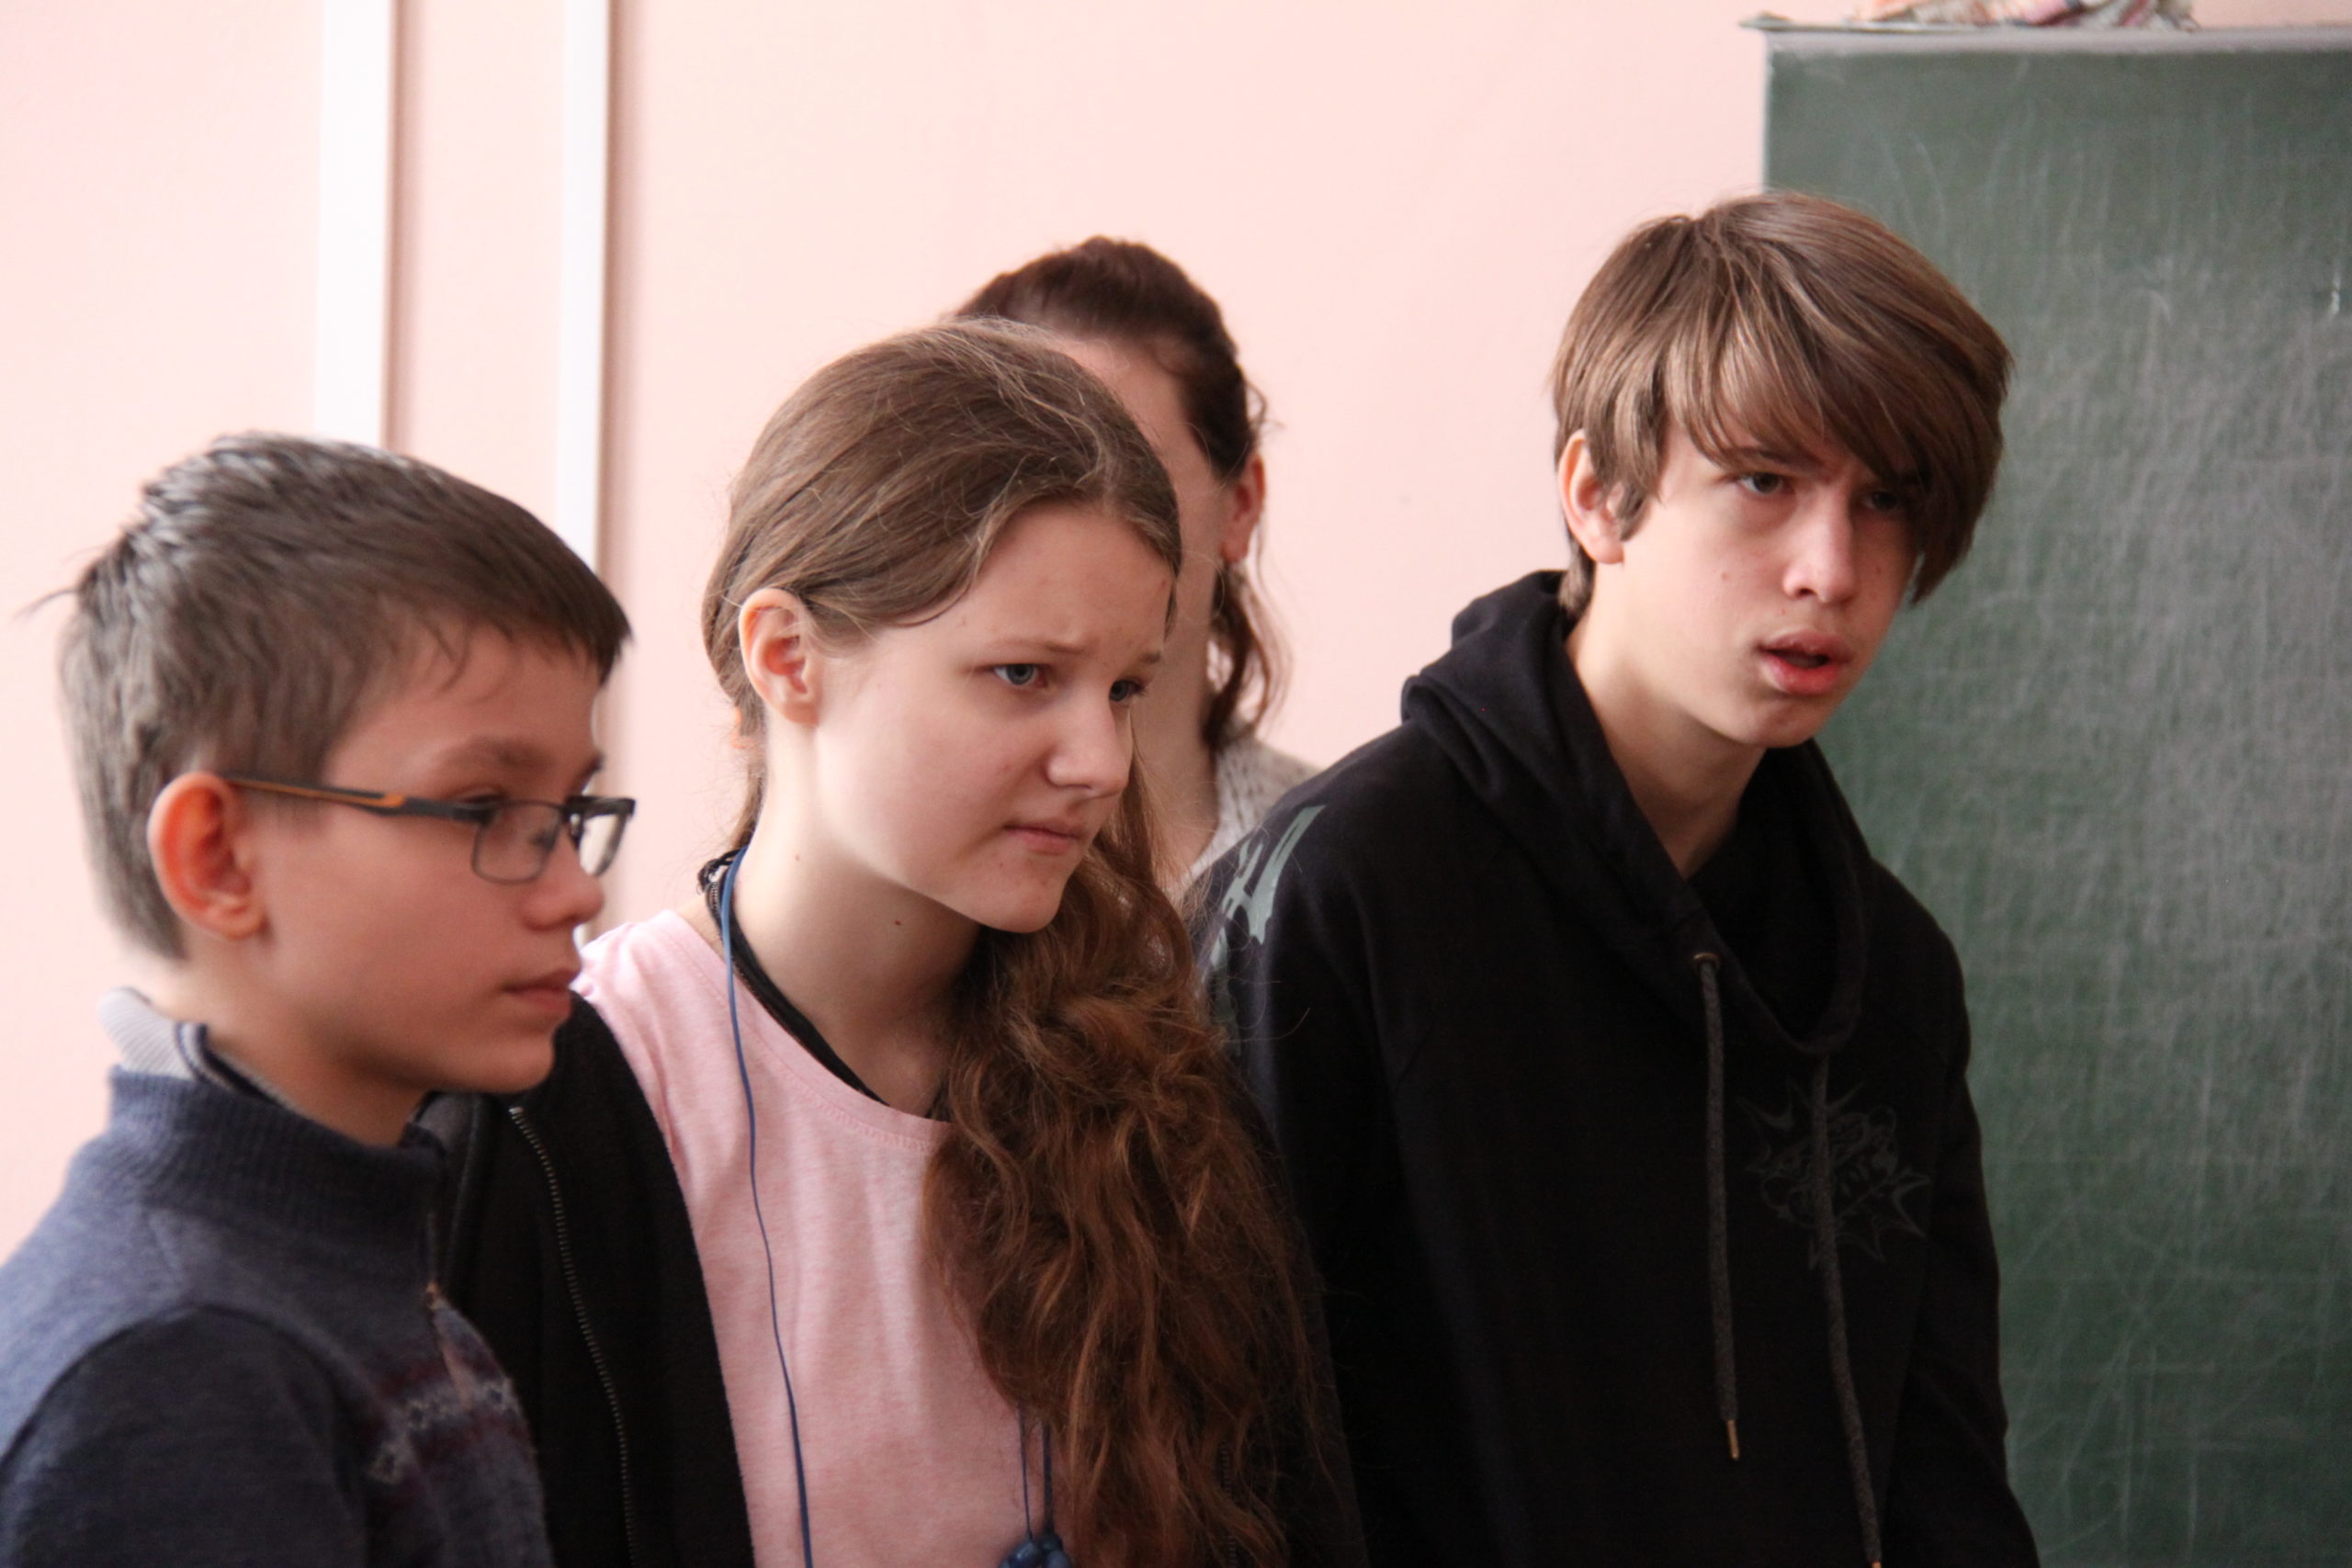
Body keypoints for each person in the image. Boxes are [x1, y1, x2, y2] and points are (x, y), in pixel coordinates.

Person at [1199, 192, 2041, 1567]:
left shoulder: (1885, 976)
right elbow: (1219, 1453)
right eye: (1763, 481)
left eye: (1885, 500)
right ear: (1598, 495)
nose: (1831, 569)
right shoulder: (1346, 893)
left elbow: (1945, 1484)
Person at [438, 321, 1362, 1568]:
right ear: (788, 658)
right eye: (1023, 674)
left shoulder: (1171, 1105)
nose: (1099, 760)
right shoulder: (554, 1118)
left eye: (1126, 686)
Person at [0, 434, 633, 1565]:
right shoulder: (182, 1363)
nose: (577, 890)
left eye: (569, 812)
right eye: (483, 809)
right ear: (220, 858)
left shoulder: (346, 1246)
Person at [959, 239, 1314, 887]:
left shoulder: (1351, 856)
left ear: (1239, 506)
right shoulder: (897, 870)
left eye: (1135, 473)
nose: (1069, 530)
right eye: (1016, 473)